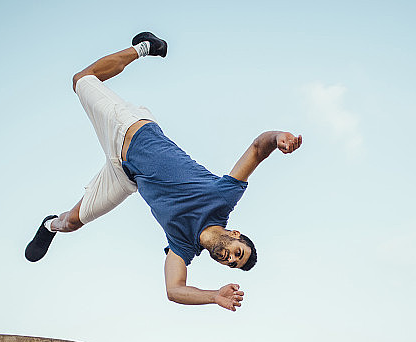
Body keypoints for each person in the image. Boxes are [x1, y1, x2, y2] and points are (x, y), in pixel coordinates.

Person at [25, 32, 302, 312]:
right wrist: (279, 136)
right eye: (237, 253)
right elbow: (257, 149)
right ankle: (146, 47)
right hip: (131, 131)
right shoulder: (222, 198)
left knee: (71, 222)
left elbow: (174, 290)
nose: (230, 258)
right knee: (81, 80)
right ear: (236, 234)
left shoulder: (182, 246)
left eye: (232, 264)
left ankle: (49, 225)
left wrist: (214, 296)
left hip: (124, 176)